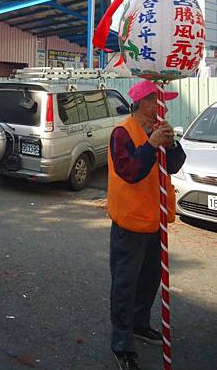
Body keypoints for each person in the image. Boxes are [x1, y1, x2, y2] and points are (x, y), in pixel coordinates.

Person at [108, 80, 186, 370]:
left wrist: (171, 142)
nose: (163, 106)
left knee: (150, 279)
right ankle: (121, 344)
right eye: (158, 100)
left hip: (156, 221)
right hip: (129, 222)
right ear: (142, 102)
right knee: (125, 285)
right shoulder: (122, 132)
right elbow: (129, 172)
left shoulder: (158, 129)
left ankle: (140, 324)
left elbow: (175, 164)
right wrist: (151, 145)